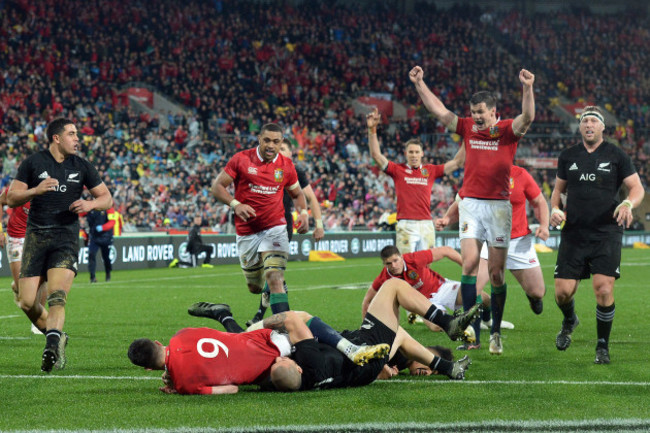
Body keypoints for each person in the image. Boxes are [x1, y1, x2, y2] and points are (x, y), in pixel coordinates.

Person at [409, 65, 535, 356]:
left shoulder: (506, 132)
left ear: (493, 111)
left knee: (496, 275)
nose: (476, 117)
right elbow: (440, 111)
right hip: (471, 206)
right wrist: (420, 84)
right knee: (468, 266)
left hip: (499, 209)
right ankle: (472, 332)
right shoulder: (467, 127)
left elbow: (527, 116)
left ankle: (495, 332)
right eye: (473, 111)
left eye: (481, 112)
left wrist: (527, 88)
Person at [189, 277, 479, 391]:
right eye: (426, 367)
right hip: (359, 355)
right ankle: (447, 331)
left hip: (356, 353)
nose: (420, 371)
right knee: (392, 288)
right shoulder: (306, 368)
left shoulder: (301, 367)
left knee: (254, 342)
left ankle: (225, 315)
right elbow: (400, 336)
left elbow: (297, 320)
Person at [7, 118, 113, 372]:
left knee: (57, 297)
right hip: (36, 237)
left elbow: (106, 198)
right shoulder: (33, 163)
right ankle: (57, 337)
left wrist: (90, 205)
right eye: (72, 134)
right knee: (25, 301)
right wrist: (35, 191)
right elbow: (11, 198)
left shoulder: (83, 166)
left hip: (65, 238)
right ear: (56, 138)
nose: (77, 139)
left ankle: (51, 345)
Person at [549, 106, 644, 364]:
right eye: (584, 121)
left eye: (593, 120)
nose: (588, 124)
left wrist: (627, 204)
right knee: (562, 293)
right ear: (580, 128)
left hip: (606, 231)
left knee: (603, 289)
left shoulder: (617, 155)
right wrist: (555, 209)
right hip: (574, 232)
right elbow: (557, 191)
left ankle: (602, 345)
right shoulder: (568, 156)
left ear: (603, 127)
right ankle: (570, 319)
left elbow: (636, 188)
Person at [128, 309, 389, 395]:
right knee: (297, 317)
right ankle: (225, 314)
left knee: (299, 319)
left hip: (272, 357)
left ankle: (350, 348)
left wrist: (180, 385)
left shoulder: (184, 383)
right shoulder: (181, 335)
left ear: (149, 368)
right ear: (158, 342)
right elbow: (223, 339)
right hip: (266, 340)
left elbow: (232, 389)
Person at [437, 165, 550, 352]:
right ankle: (473, 336)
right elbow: (462, 201)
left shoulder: (520, 174)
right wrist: (448, 219)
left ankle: (532, 299)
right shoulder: (480, 173)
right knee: (474, 286)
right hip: (489, 240)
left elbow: (539, 201)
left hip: (518, 240)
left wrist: (544, 225)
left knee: (538, 291)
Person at [211, 123, 309, 315]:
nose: (271, 145)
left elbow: (297, 195)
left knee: (274, 276)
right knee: (254, 287)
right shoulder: (241, 159)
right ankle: (268, 290)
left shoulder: (286, 166)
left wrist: (304, 213)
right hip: (247, 232)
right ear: (259, 139)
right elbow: (217, 187)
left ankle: (285, 329)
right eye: (267, 140)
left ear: (281, 142)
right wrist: (236, 205)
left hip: (276, 228)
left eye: (276, 141)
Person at [248, 138, 325, 325]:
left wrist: (319, 224)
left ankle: (276, 319)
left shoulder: (295, 171)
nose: (278, 151)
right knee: (267, 276)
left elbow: (311, 198)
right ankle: (270, 305)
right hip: (259, 227)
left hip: (282, 227)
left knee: (272, 272)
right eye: (276, 148)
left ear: (291, 153)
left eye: (283, 148)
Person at [366, 107, 464, 254]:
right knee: (406, 265)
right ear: (405, 153)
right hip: (406, 225)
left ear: (422, 153)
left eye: (416, 152)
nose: (413, 155)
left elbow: (457, 162)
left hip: (426, 224)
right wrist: (372, 130)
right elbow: (376, 156)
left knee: (426, 266)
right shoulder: (397, 170)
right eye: (410, 152)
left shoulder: (430, 170)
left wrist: (469, 139)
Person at [362, 244, 498, 342]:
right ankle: (463, 322)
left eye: (396, 260)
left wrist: (469, 271)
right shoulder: (383, 278)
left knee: (482, 296)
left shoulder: (414, 259)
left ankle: (487, 320)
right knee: (436, 326)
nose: (393, 266)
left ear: (401, 257)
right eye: (388, 263)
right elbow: (367, 301)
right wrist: (366, 330)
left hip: (442, 288)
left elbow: (446, 250)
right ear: (384, 264)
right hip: (424, 304)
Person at [0, 187, 47, 334]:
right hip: (17, 237)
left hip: (40, 237)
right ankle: (17, 285)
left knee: (42, 279)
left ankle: (38, 319)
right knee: (23, 290)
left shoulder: (51, 191)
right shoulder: (16, 189)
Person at [84, 207, 118, 282]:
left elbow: (112, 222)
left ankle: (108, 273)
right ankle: (92, 277)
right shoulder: (90, 209)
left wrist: (103, 227)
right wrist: (86, 235)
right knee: (91, 254)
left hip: (106, 237)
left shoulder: (108, 208)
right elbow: (86, 222)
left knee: (106, 257)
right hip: (94, 237)